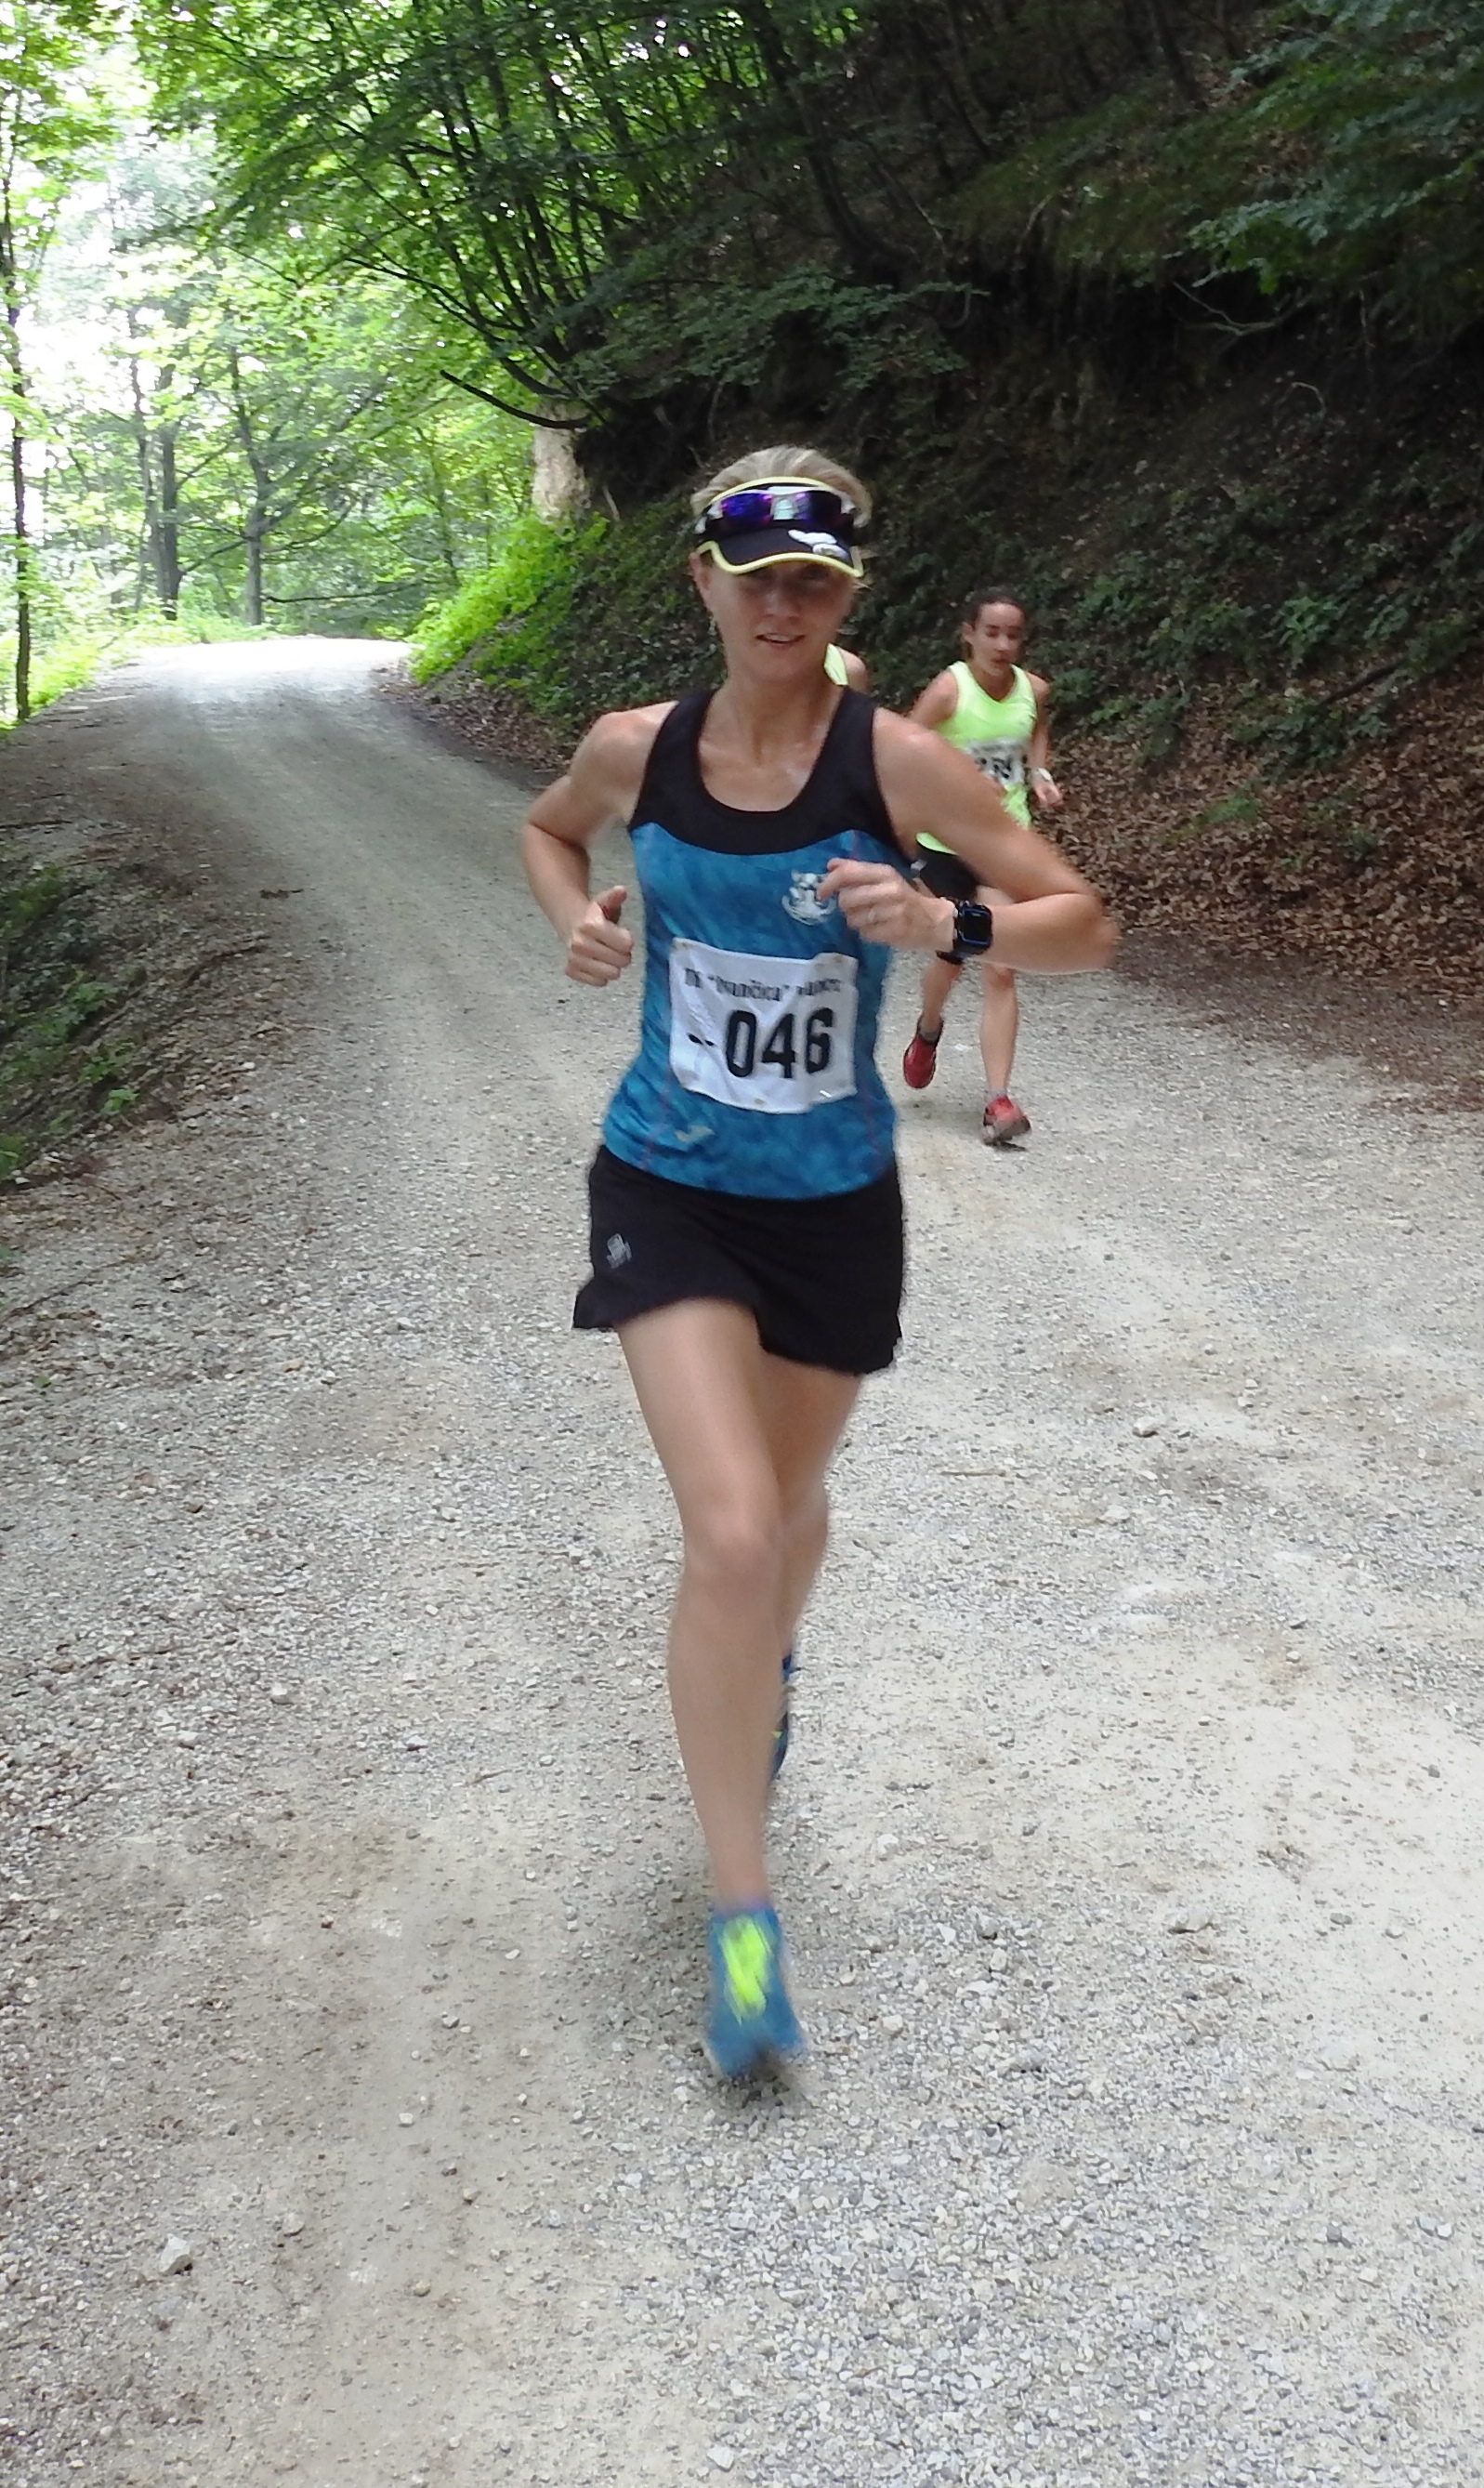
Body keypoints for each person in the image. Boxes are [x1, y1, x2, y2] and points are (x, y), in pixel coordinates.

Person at [520, 449, 1113, 2080]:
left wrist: (948, 928)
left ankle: (765, 1659)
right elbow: (547, 832)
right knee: (728, 1527)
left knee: (781, 1513)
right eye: (754, 576)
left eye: (812, 580)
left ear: (846, 595)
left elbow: (1081, 918)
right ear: (702, 584)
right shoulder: (636, 748)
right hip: (667, 1176)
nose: (781, 604)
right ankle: (742, 1915)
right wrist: (574, 917)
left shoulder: (896, 761)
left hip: (833, 1197)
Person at [901, 591, 1063, 1144]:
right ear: (968, 634)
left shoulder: (1033, 689)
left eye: (1013, 634)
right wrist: (963, 784)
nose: (1002, 644)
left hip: (1002, 845)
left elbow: (1035, 731)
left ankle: (998, 1101)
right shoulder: (950, 691)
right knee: (952, 959)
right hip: (944, 845)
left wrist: (1038, 774)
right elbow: (903, 749)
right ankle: (928, 1030)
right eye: (991, 632)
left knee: (1000, 966)